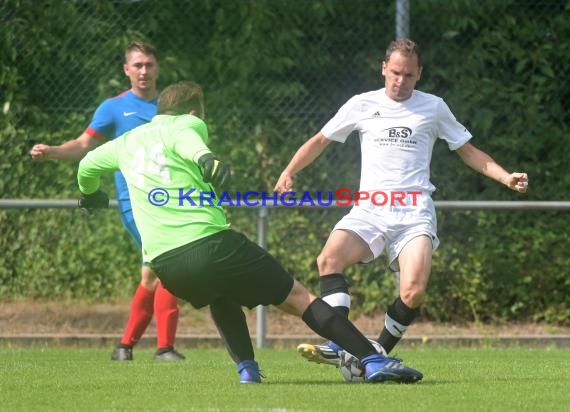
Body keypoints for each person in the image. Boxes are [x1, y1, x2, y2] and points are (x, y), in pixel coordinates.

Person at [75, 80, 424, 384]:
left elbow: (86, 165)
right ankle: (374, 359)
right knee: (299, 298)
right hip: (211, 244)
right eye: (203, 114)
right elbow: (189, 144)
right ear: (193, 111)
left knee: (220, 294)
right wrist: (206, 159)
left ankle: (247, 370)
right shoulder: (187, 125)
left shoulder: (125, 143)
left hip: (166, 265)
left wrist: (91, 194)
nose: (203, 120)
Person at [274, 38, 529, 367]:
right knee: (328, 259)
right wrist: (289, 171)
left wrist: (505, 176)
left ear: (419, 73)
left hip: (414, 212)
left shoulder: (434, 107)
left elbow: (468, 151)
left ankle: (375, 353)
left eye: (409, 75)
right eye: (395, 72)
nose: (400, 80)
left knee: (413, 291)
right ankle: (340, 341)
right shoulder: (362, 104)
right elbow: (321, 140)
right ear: (384, 68)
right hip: (370, 208)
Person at [29, 41, 184, 361]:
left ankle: (124, 347)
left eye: (149, 65)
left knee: (151, 272)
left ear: (158, 69)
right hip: (135, 205)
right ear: (126, 70)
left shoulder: (170, 107)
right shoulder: (113, 108)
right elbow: (84, 145)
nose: (144, 71)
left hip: (169, 203)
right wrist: (53, 151)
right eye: (137, 65)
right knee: (172, 263)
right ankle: (164, 349)